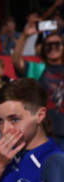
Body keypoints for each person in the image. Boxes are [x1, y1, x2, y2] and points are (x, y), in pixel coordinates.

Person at [12, 17, 64, 150]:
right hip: (47, 134)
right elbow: (16, 60)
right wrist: (25, 35)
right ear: (43, 48)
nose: (53, 48)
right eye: (49, 45)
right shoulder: (37, 69)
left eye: (57, 44)